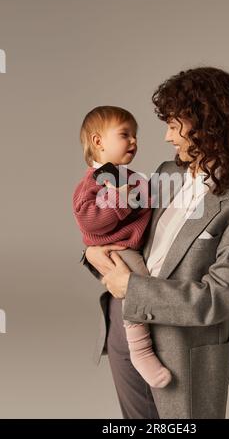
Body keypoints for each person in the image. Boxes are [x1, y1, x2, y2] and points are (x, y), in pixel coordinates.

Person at [81, 67, 229, 419]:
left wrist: (132, 287)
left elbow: (219, 297)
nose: (166, 137)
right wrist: (92, 253)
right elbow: (123, 230)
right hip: (122, 324)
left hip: (184, 349)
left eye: (174, 125)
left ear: (208, 125)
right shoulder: (166, 174)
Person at [72, 105, 172, 390]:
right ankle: (140, 350)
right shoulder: (93, 181)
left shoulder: (127, 177)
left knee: (143, 281)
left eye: (135, 136)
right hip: (118, 249)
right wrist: (122, 201)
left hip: (133, 246)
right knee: (137, 283)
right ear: (98, 142)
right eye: (125, 135)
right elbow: (88, 220)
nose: (134, 142)